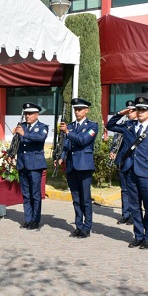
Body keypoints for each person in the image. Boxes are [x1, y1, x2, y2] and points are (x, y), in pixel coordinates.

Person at [106, 97, 148, 250]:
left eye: (143, 110)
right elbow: (110, 125)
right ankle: (138, 236)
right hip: (130, 171)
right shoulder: (129, 125)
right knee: (134, 206)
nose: (140, 112)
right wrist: (120, 113)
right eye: (138, 109)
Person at [57, 98, 98, 238]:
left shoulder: (92, 126)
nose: (77, 111)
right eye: (76, 109)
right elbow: (67, 145)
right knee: (76, 198)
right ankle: (78, 226)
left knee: (85, 198)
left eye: (80, 109)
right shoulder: (71, 126)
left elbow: (83, 140)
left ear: (86, 110)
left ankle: (87, 227)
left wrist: (68, 132)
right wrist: (61, 157)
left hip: (84, 165)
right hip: (71, 165)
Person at [15, 102, 48, 230]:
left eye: (30, 114)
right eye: (26, 114)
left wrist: (24, 134)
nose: (27, 116)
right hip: (23, 164)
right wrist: (11, 154)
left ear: (36, 114)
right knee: (26, 194)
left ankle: (35, 220)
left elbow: (40, 138)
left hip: (35, 165)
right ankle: (27, 219)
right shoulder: (22, 126)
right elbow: (17, 143)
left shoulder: (42, 127)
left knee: (35, 194)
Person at [110, 100, 137, 225]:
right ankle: (125, 214)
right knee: (124, 189)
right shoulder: (125, 125)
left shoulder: (142, 127)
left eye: (131, 110)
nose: (129, 112)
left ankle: (134, 214)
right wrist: (120, 113)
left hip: (136, 162)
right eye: (128, 110)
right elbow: (110, 126)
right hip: (123, 161)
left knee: (134, 190)